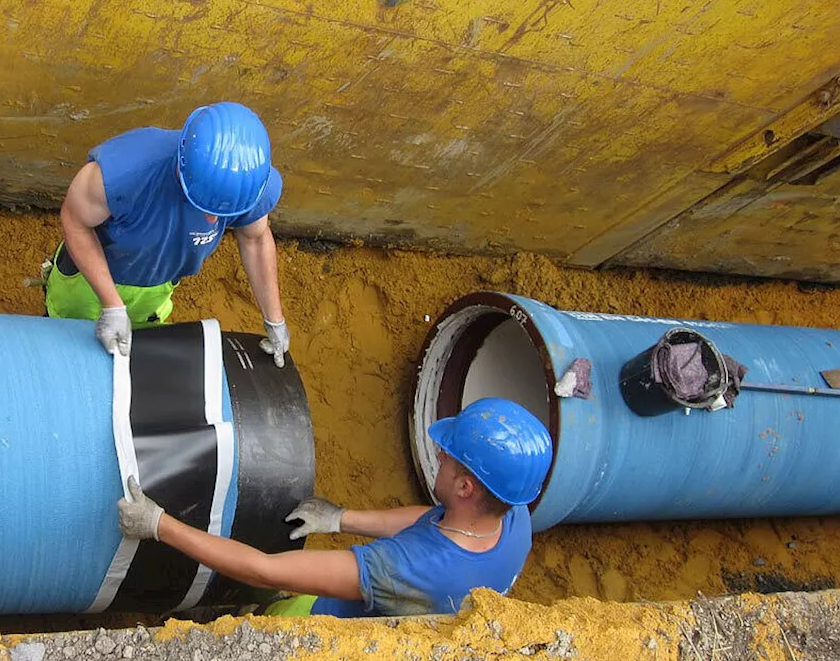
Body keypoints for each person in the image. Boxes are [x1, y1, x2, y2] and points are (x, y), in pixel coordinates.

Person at [115, 398, 554, 617]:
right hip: (408, 606)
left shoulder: (406, 567)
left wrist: (161, 525)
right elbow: (430, 520)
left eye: (448, 456)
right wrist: (340, 518)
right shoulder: (513, 517)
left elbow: (263, 569)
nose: (439, 454)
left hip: (332, 631)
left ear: (465, 485)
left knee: (273, 623)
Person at [44, 101, 291, 365]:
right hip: (87, 281)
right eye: (201, 205)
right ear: (182, 170)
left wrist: (274, 318)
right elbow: (75, 221)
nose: (211, 220)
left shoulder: (248, 185)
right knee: (63, 348)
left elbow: (254, 239)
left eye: (223, 213)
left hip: (157, 287)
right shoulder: (124, 173)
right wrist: (111, 304)